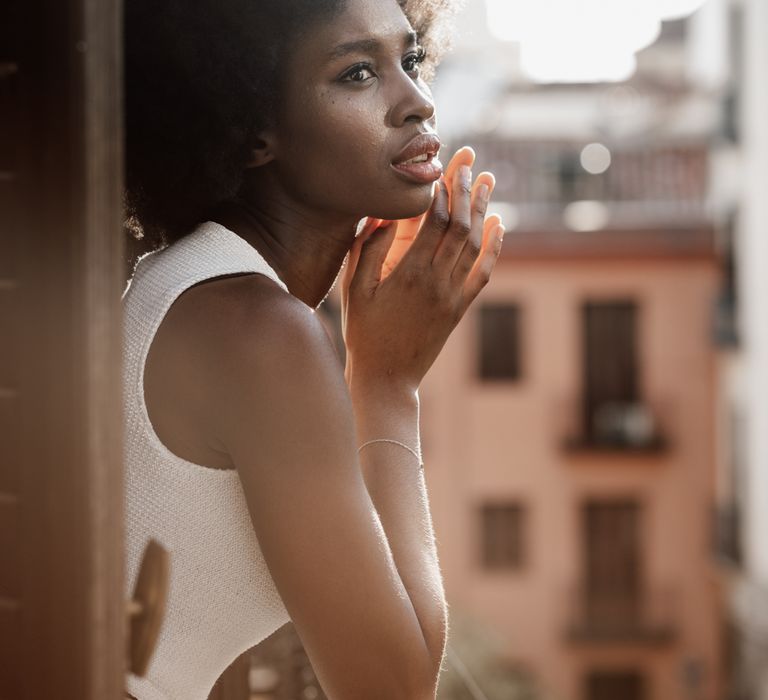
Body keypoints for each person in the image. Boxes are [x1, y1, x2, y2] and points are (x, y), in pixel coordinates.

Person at [123, 0, 504, 698]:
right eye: (358, 73)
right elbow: (392, 689)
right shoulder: (258, 333)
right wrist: (388, 385)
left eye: (410, 60)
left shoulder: (186, 284)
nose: (417, 102)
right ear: (249, 130)